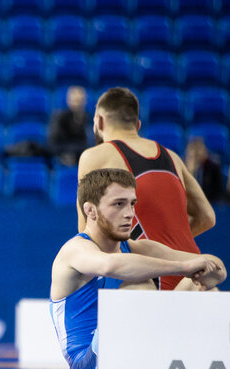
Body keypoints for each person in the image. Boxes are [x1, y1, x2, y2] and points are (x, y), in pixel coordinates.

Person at [51, 169, 227, 369]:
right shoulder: (74, 250)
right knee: (135, 288)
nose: (130, 214)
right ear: (90, 210)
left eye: (132, 204)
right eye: (118, 205)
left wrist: (207, 271)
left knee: (202, 288)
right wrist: (185, 267)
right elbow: (110, 266)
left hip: (134, 352)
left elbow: (216, 269)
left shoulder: (137, 247)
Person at [77, 87, 216, 290]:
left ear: (98, 121)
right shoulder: (172, 156)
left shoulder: (95, 155)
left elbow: (87, 234)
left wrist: (143, 249)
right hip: (196, 275)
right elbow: (207, 217)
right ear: (138, 125)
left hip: (148, 278)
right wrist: (167, 248)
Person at [4, 85, 90, 167]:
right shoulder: (59, 117)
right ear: (69, 100)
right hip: (59, 155)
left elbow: (88, 144)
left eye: (80, 100)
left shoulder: (87, 118)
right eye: (75, 100)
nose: (78, 104)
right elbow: (53, 144)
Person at [185, 137, 225, 203]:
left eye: (199, 149)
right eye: (193, 150)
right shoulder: (182, 168)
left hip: (210, 204)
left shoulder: (213, 168)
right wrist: (190, 172)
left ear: (205, 151)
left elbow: (219, 194)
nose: (196, 154)